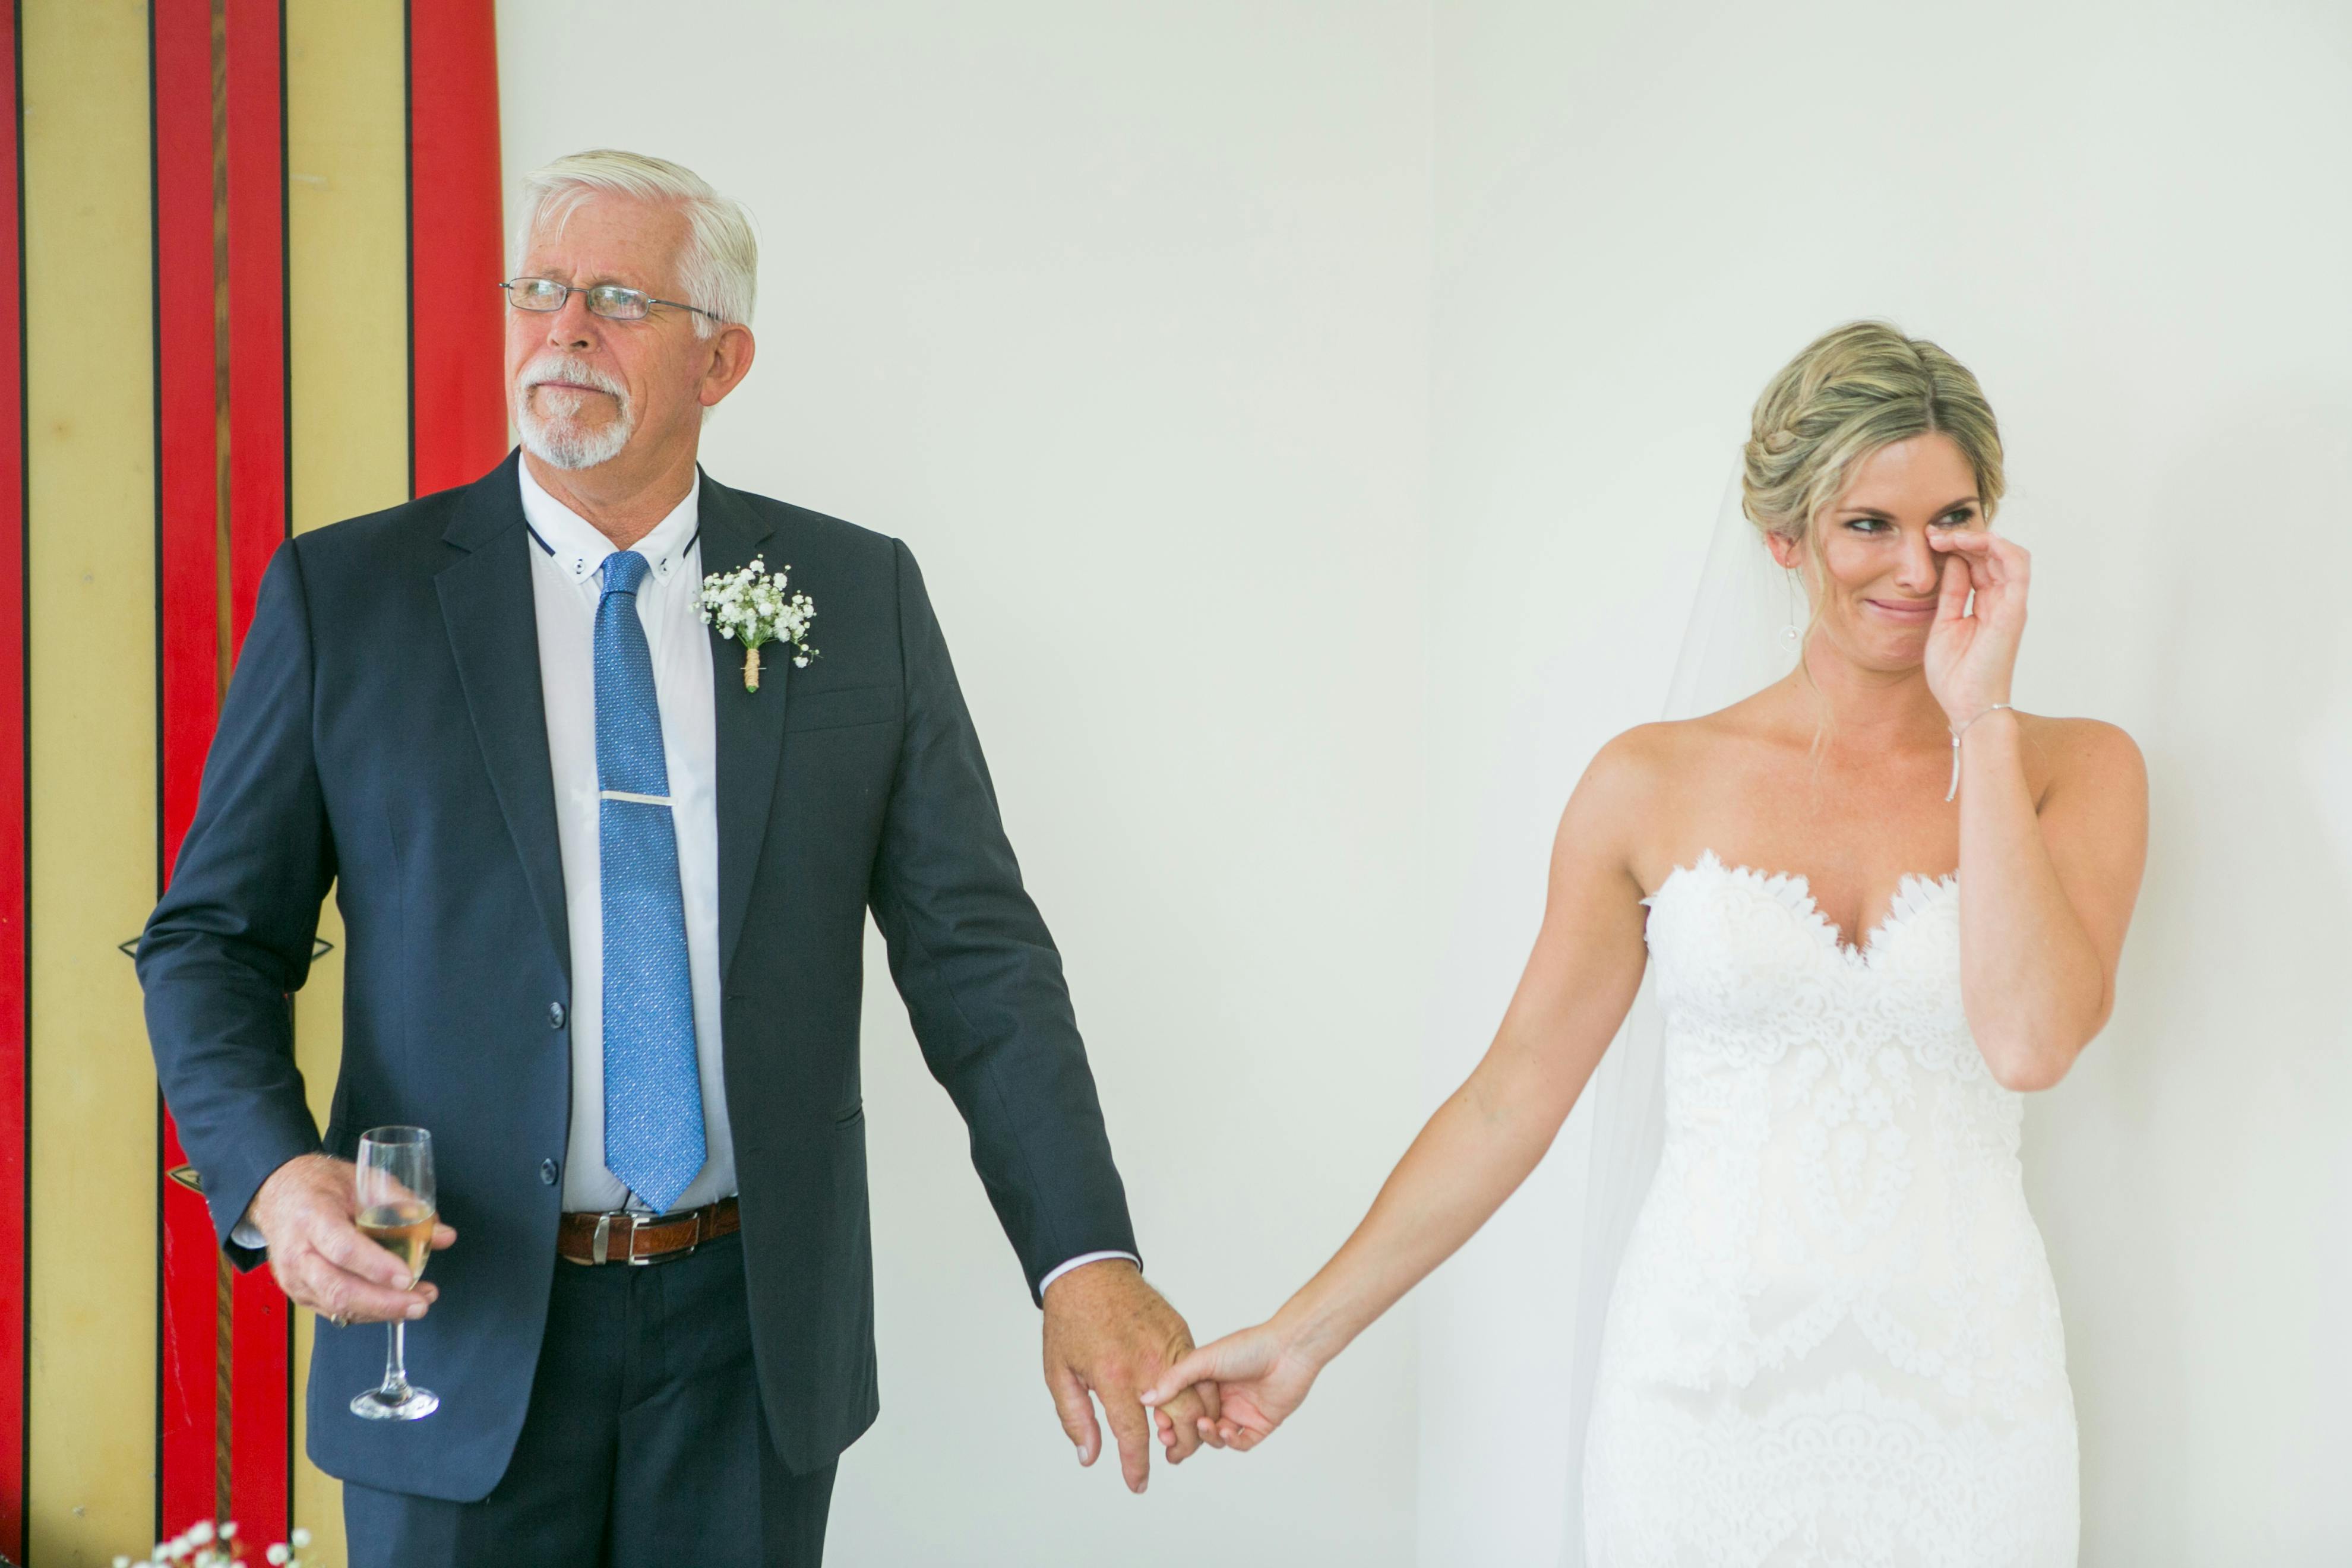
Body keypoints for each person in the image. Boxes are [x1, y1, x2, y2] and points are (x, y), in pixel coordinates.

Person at [138, 147, 1216, 1567]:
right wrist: (275, 1181)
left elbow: (977, 955)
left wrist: (1086, 1260)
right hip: (444, 1322)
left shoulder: (857, 595)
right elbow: (213, 940)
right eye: (538, 287)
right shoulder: (354, 597)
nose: (564, 328)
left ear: (723, 361)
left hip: (748, 1342)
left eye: (617, 299)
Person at [1143, 321, 2147, 1563]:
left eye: (1949, 519)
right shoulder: (1647, 784)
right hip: (1701, 1397)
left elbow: (2032, 1041)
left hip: (1974, 1398)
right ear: (1785, 539)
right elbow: (1514, 1097)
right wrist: (1301, 1338)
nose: (1916, 568)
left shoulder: (2077, 768)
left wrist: (1982, 719)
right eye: (1867, 524)